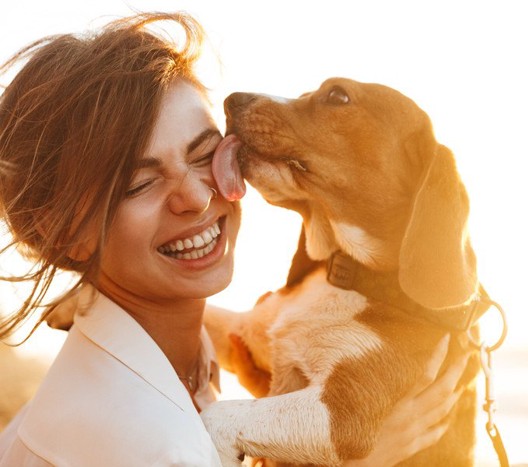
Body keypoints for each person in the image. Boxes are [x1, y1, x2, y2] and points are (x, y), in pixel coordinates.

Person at [0, 12, 467, 466]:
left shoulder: (180, 358)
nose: (197, 199)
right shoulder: (161, 448)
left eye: (207, 153)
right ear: (62, 235)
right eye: (138, 185)